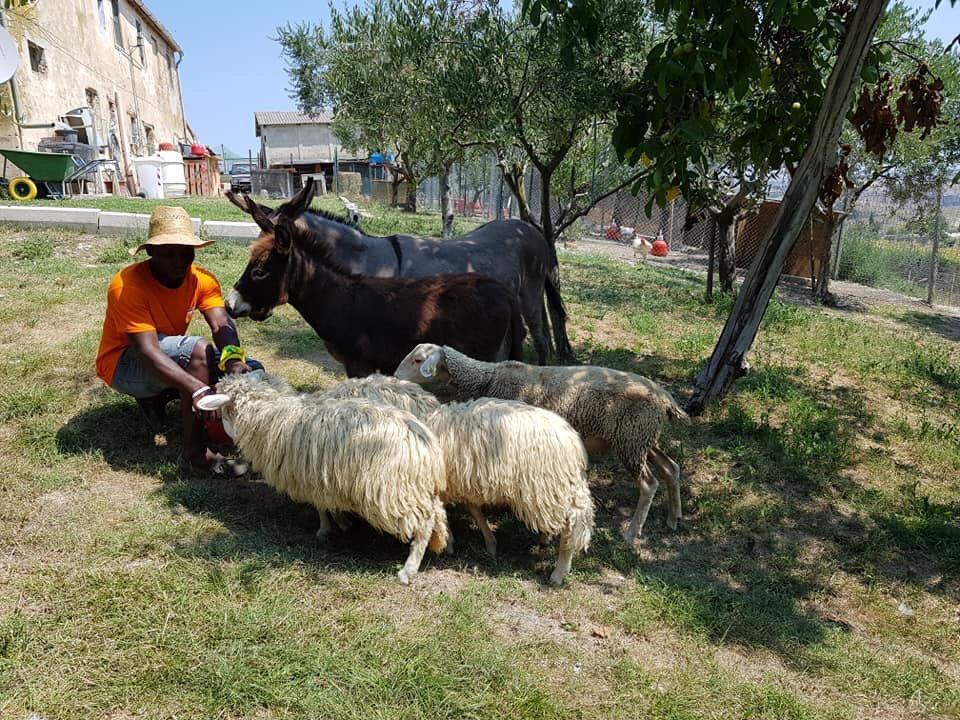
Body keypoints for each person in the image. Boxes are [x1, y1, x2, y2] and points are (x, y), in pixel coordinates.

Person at [95, 206, 260, 473]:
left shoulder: (202, 279)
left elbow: (220, 323)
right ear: (150, 252)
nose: (179, 260)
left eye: (186, 252)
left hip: (162, 354)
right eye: (169, 252)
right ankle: (195, 454)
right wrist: (197, 389)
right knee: (197, 352)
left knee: (253, 372)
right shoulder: (126, 286)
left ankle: (182, 407)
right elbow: (146, 352)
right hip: (124, 365)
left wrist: (232, 359)